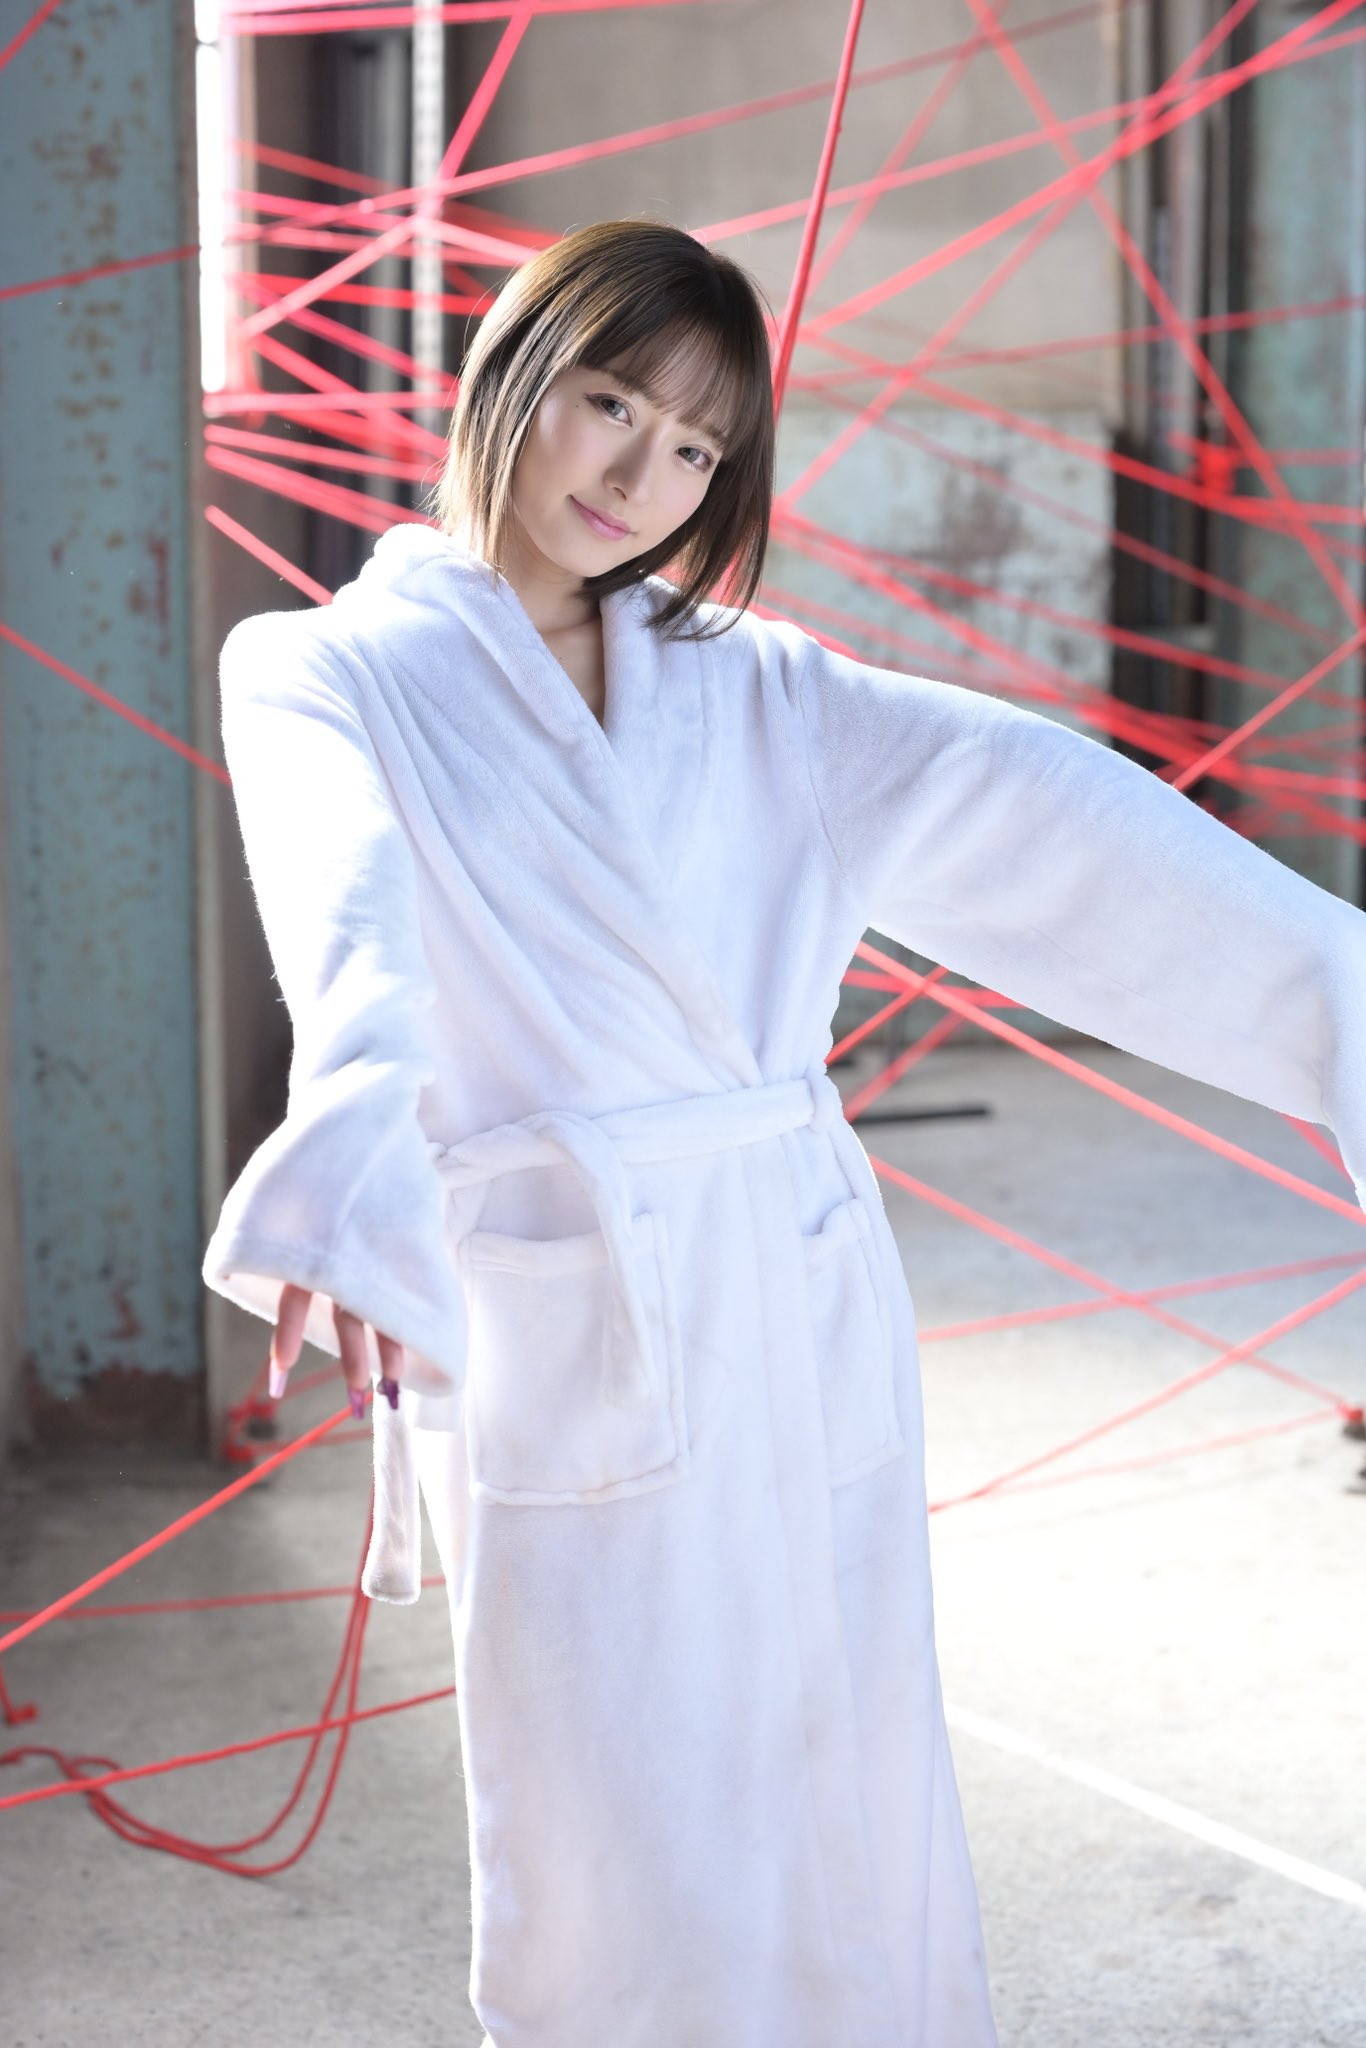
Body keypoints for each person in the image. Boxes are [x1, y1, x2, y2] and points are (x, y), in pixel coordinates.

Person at [201, 218, 1366, 2048]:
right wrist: (348, 1159)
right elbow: (350, 932)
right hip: (573, 1290)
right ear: (510, 373)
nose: (641, 478)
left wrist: (1334, 992)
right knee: (605, 1785)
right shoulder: (319, 669)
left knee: (841, 1745)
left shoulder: (760, 687)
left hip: (793, 1272)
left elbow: (1049, 816)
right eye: (610, 403)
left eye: (694, 449)